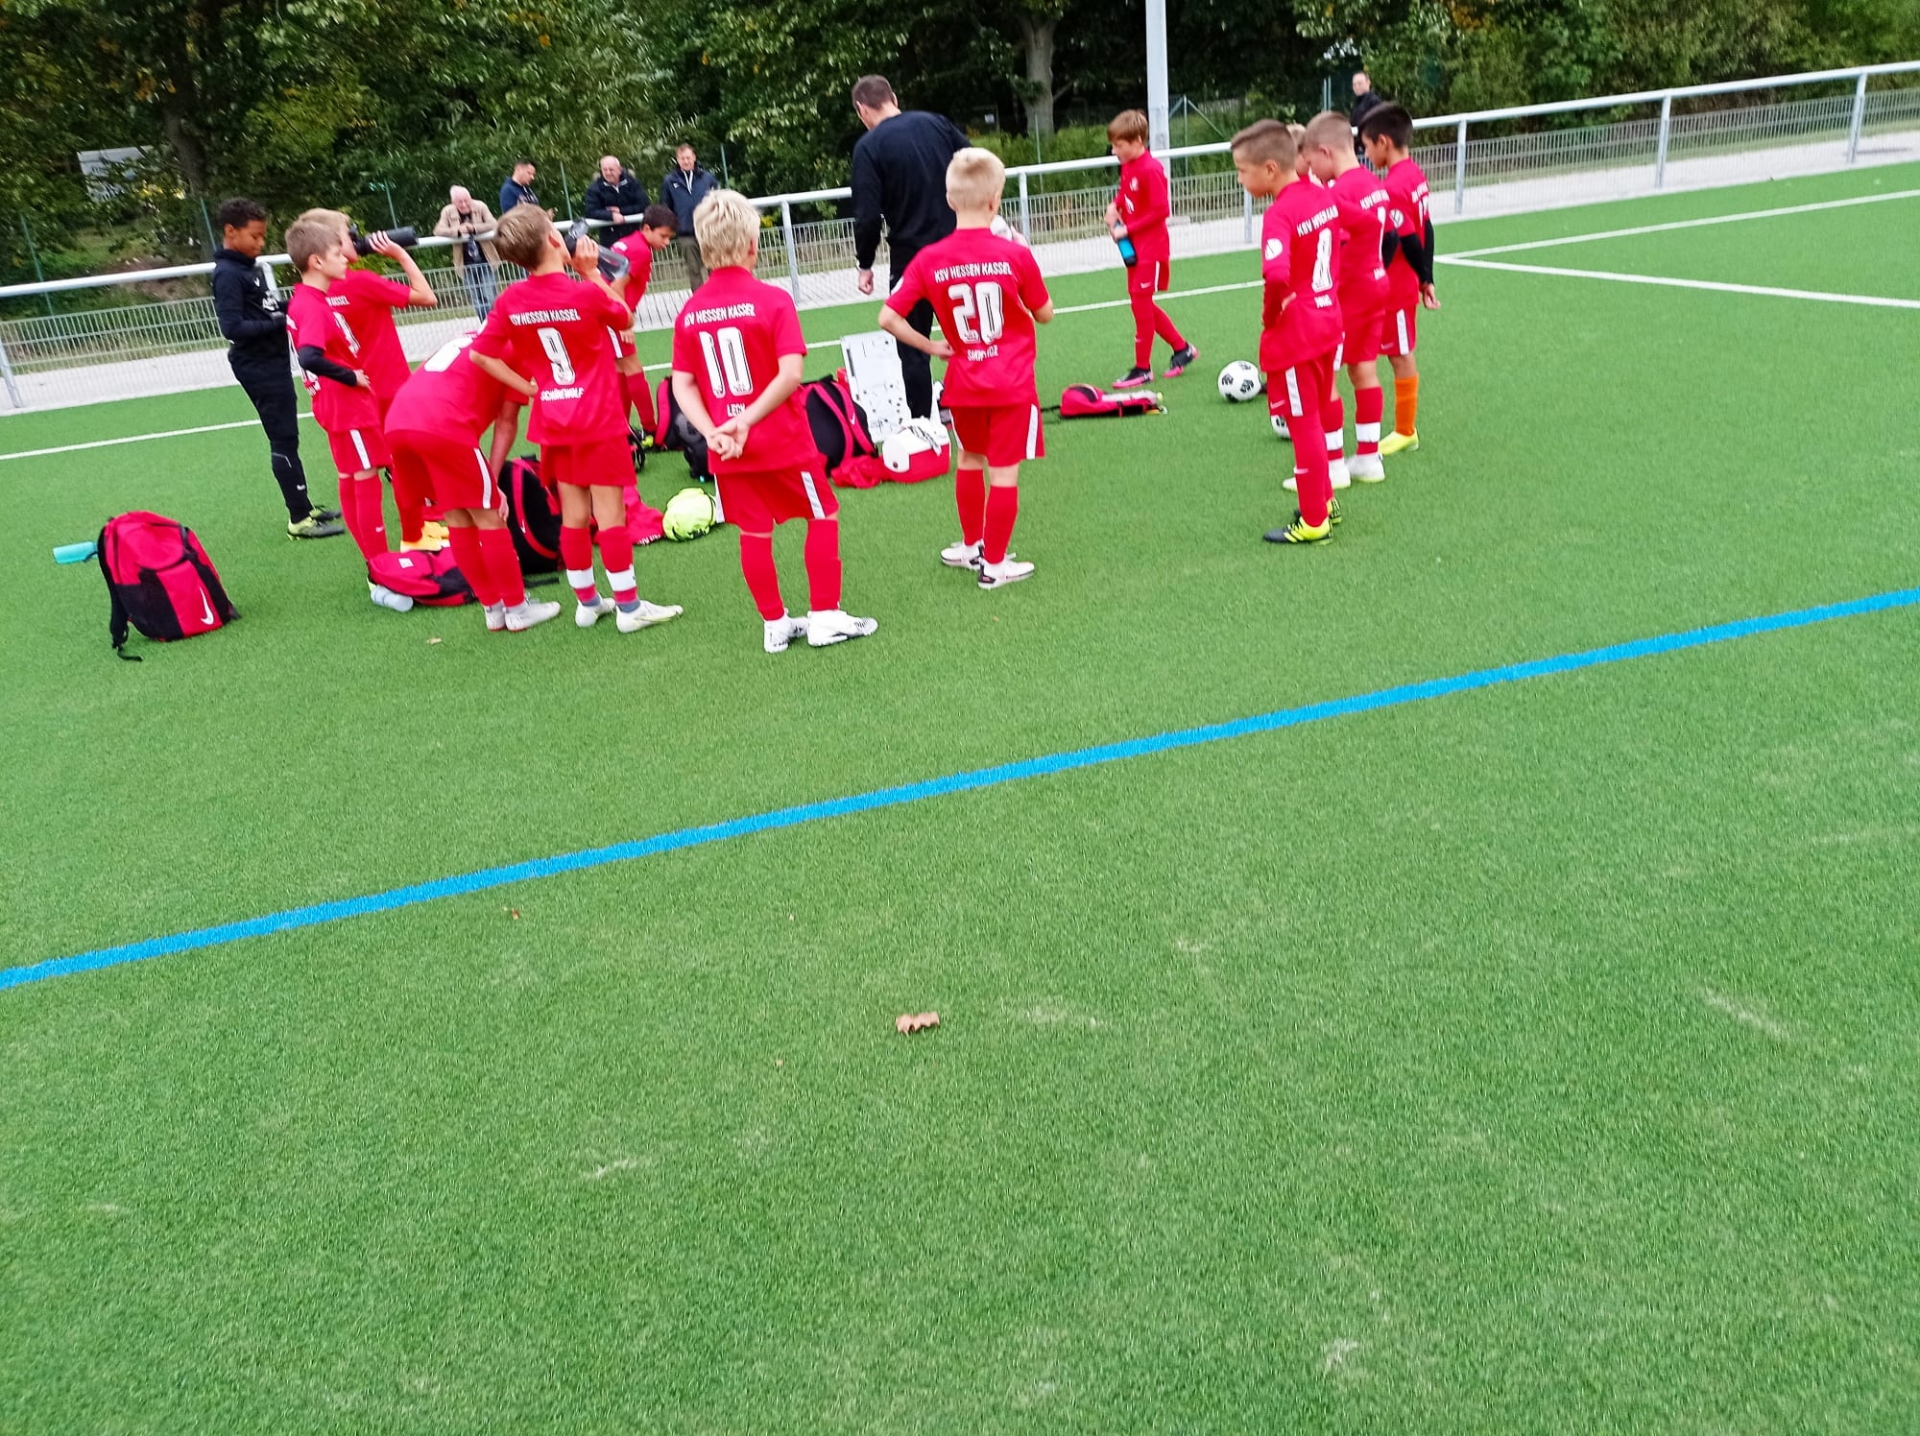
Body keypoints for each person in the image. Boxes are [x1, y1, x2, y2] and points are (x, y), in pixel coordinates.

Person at [671, 189, 876, 653]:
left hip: (727, 448)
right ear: (752, 245)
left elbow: (682, 384)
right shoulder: (773, 300)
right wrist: (745, 420)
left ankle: (775, 623)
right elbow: (791, 375)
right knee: (822, 514)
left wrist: (713, 431)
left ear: (703, 247)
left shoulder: (689, 312)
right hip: (780, 440)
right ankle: (825, 615)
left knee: (753, 532)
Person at [469, 204, 682, 635]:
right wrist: (591, 273)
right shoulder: (583, 292)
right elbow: (624, 317)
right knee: (611, 515)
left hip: (554, 418)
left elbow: (480, 354)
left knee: (573, 514)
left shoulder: (510, 300)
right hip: (597, 418)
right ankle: (629, 607)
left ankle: (588, 601)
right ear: (553, 241)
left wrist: (530, 388)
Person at [878, 147, 1053, 590]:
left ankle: (971, 545)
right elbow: (1045, 313)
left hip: (963, 381)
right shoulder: (1014, 254)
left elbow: (888, 317)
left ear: (950, 200)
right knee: (1004, 472)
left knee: (969, 459)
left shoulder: (929, 258)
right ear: (996, 201)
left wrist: (932, 346)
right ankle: (994, 565)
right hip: (1011, 383)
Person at [385, 333, 559, 633]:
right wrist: (494, 480)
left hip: (398, 423)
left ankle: (493, 609)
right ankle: (517, 609)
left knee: (457, 519)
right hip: (442, 424)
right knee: (490, 517)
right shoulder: (517, 348)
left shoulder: (472, 337)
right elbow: (506, 422)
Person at [283, 211, 412, 608]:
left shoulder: (307, 299)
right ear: (316, 261)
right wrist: (350, 376)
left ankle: (377, 567)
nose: (346, 256)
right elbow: (309, 355)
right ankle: (381, 573)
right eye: (338, 252)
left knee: (353, 476)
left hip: (335, 405)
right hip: (346, 404)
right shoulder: (314, 306)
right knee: (365, 478)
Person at [1231, 120, 1344, 545]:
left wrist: (1270, 318)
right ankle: (1325, 500)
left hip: (1299, 333)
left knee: (1303, 423)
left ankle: (1314, 519)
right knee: (1316, 413)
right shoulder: (1322, 195)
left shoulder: (1280, 213)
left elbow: (1276, 274)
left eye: (1242, 171)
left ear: (1270, 169)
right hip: (1329, 320)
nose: (1240, 180)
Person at [210, 197, 342, 539]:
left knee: (289, 437)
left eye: (262, 236)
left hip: (274, 361)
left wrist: (296, 305)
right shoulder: (227, 274)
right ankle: (298, 519)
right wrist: (282, 321)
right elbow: (232, 327)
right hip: (258, 366)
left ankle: (304, 505)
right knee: (283, 438)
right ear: (230, 232)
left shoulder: (248, 268)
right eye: (254, 236)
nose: (260, 242)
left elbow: (266, 307)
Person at [849, 75, 969, 420]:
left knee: (913, 346)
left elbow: (867, 216)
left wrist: (865, 263)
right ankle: (985, 406)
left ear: (862, 109)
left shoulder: (869, 147)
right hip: (959, 248)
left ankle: (923, 425)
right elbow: (976, 165)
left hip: (912, 258)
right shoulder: (937, 123)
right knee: (971, 334)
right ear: (894, 98)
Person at [334, 230, 440, 549]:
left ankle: (385, 548)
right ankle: (416, 532)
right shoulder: (361, 282)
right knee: (406, 463)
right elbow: (427, 297)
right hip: (388, 384)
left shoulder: (313, 293)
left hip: (352, 390)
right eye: (348, 235)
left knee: (356, 472)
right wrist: (400, 254)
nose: (357, 238)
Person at [1304, 110, 1391, 485]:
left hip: (1349, 293)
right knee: (1364, 370)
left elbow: (1331, 246)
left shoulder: (1339, 193)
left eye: (1312, 162)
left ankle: (1333, 464)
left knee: (1327, 378)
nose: (1312, 171)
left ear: (1325, 152)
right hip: (1376, 284)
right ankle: (1369, 457)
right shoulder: (1373, 183)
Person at [1360, 103, 1439, 454]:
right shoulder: (1415, 174)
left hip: (1397, 286)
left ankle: (1406, 430)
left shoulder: (1393, 186)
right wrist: (1427, 276)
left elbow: (1405, 238)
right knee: (1393, 352)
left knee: (1400, 354)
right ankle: (1402, 428)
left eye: (1367, 146)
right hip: (1406, 281)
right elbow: (1427, 227)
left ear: (1383, 142)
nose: (1366, 154)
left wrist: (1418, 278)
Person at [1103, 109, 1197, 391]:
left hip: (1151, 249)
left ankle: (1143, 369)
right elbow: (1126, 193)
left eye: (1119, 145)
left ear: (1137, 141)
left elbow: (1161, 210)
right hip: (1136, 247)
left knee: (1140, 305)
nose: (1114, 151)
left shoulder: (1151, 169)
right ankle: (1183, 348)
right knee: (1139, 303)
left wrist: (1127, 229)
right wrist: (1114, 206)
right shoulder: (1128, 165)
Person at [610, 203, 681, 432]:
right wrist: (623, 322)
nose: (666, 242)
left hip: (606, 312)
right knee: (632, 368)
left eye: (669, 238)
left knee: (620, 368)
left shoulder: (628, 242)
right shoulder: (640, 250)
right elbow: (616, 286)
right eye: (663, 236)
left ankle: (622, 428)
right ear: (647, 228)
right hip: (612, 314)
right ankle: (650, 429)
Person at [433, 187, 500, 320]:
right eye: (460, 202)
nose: (464, 205)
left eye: (466, 201)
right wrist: (457, 231)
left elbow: (493, 224)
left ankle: (496, 323)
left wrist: (474, 228)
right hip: (465, 263)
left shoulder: (480, 206)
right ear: (453, 202)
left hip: (486, 260)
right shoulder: (447, 211)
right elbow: (438, 230)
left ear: (470, 198)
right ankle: (484, 325)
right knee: (476, 298)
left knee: (489, 295)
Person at [661, 144, 718, 286]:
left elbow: (719, 201)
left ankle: (718, 296)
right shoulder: (670, 181)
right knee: (694, 270)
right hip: (685, 233)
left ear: (694, 157)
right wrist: (672, 227)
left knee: (715, 267)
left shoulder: (707, 178)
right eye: (682, 158)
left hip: (708, 231)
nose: (686, 161)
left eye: (688, 158)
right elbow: (665, 206)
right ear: (677, 159)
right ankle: (699, 299)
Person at [583, 155, 649, 242]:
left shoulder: (633, 183)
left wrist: (621, 211)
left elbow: (644, 205)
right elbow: (590, 212)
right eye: (605, 170)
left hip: (634, 236)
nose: (608, 173)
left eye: (611, 170)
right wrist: (611, 216)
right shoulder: (594, 189)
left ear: (619, 169)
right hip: (610, 239)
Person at [1350, 71, 1386, 150]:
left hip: (1369, 147)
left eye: (1360, 84)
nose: (1357, 87)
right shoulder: (1356, 103)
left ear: (1368, 83)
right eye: (1354, 85)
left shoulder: (1374, 101)